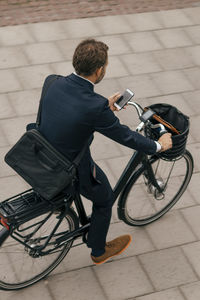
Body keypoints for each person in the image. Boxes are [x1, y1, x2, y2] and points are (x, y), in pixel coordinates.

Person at [39, 39, 172, 265]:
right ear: (100, 70)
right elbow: (125, 136)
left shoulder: (53, 81)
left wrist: (102, 109)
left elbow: (66, 112)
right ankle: (99, 252)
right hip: (70, 165)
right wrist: (159, 145)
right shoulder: (95, 106)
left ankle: (58, 200)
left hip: (41, 151)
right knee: (104, 199)